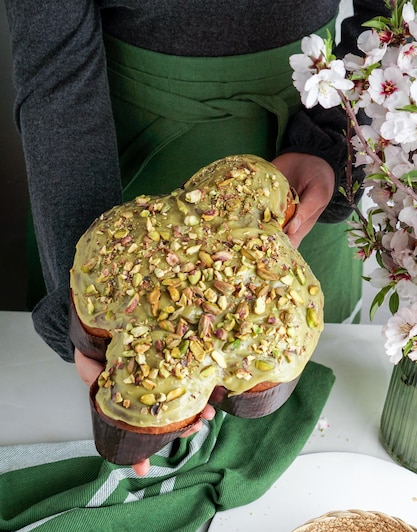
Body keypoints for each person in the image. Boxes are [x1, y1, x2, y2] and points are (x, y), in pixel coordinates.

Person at [4, 0, 389, 474]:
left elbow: (392, 15)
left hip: (303, 166)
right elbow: (54, 64)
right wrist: (84, 315)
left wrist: (329, 141)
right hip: (105, 162)